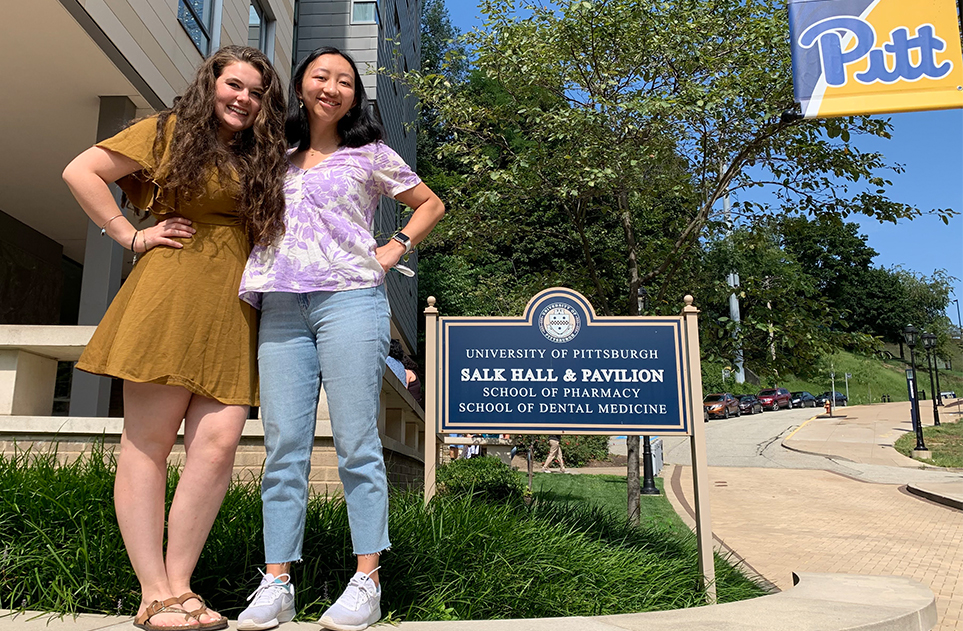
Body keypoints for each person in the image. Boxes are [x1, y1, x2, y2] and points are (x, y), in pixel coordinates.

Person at [61, 46, 288, 631]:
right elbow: (80, 171)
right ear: (210, 84)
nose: (244, 99)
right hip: (170, 293)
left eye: (256, 92)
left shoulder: (260, 154)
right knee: (149, 444)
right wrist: (129, 235)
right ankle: (153, 592)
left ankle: (182, 585)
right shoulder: (168, 130)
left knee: (215, 449)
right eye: (234, 85)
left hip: (235, 309)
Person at [236, 46, 445, 631]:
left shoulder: (369, 153)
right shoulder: (273, 152)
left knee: (356, 442)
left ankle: (367, 581)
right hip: (280, 303)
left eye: (345, 81)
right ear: (301, 83)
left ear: (355, 95)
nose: (332, 87)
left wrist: (393, 249)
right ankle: (277, 583)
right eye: (321, 76)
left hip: (351, 299)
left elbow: (431, 203)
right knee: (283, 448)